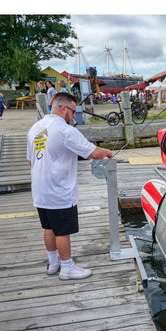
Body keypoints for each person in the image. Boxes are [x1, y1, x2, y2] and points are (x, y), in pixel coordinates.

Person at [27, 92, 113, 280]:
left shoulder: (35, 128)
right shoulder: (67, 131)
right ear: (64, 108)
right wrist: (108, 152)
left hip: (40, 190)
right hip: (59, 190)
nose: (74, 116)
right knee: (62, 231)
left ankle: (53, 263)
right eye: (73, 112)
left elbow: (30, 161)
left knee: (48, 227)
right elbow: (93, 152)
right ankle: (67, 267)